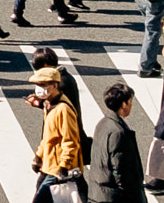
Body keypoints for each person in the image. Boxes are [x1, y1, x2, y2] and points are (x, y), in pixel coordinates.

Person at [30, 63, 85, 203]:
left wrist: (64, 166)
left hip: (57, 167)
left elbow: (70, 141)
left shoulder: (63, 109)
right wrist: (39, 156)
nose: (39, 89)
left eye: (43, 85)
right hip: (48, 165)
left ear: (54, 85)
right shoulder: (49, 105)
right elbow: (47, 137)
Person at [88, 80, 145, 203]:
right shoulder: (118, 132)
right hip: (113, 197)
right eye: (130, 102)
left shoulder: (103, 123)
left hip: (97, 191)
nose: (131, 105)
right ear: (124, 104)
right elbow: (120, 169)